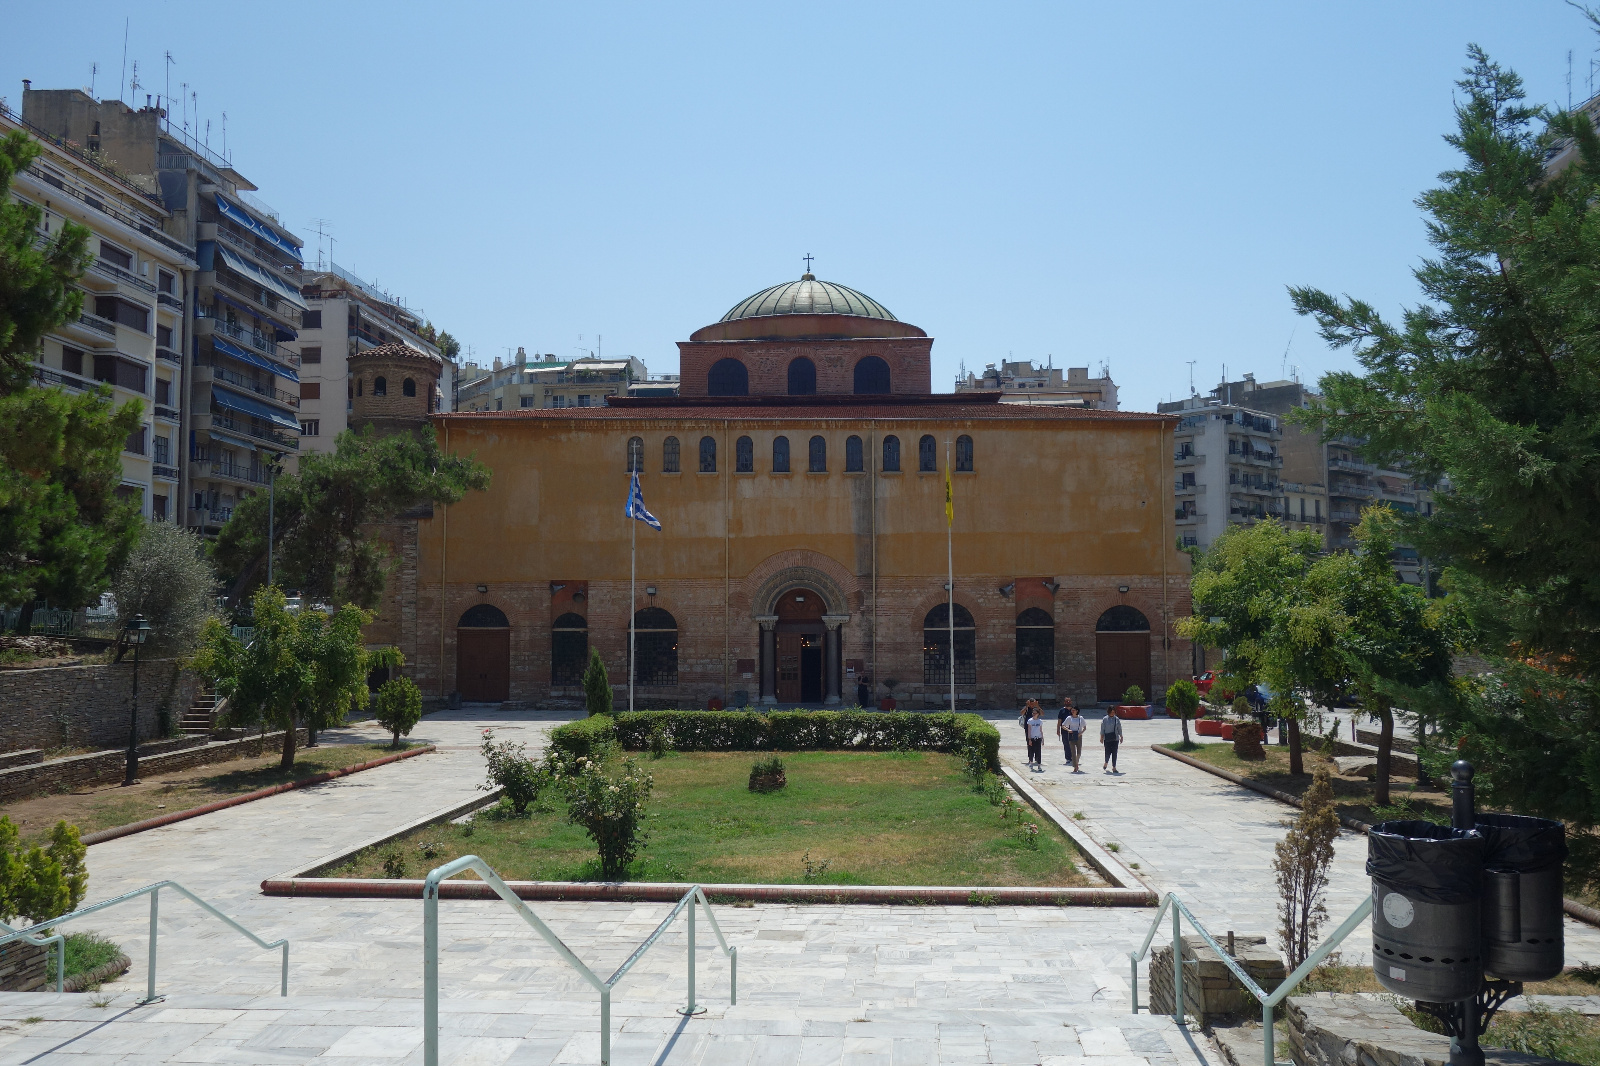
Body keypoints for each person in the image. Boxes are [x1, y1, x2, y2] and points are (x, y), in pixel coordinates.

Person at [1057, 696, 1085, 772]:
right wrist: (1058, 730)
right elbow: (1060, 721)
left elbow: (1082, 723)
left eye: (1069, 701)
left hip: (1076, 732)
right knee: (1066, 744)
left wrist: (1081, 732)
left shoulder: (1074, 710)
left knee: (1077, 748)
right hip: (1065, 731)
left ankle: (1074, 759)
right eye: (1066, 701)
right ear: (1064, 702)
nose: (1068, 702)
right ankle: (1068, 758)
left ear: (1071, 702)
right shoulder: (1062, 711)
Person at [1101, 706, 1124, 774]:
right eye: (1111, 712)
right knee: (1107, 752)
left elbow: (1119, 728)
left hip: (1115, 738)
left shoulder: (1116, 719)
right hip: (1107, 738)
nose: (1112, 714)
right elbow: (1102, 729)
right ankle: (1106, 762)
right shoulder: (1105, 719)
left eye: (1113, 712)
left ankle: (1114, 767)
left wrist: (1121, 736)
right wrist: (1101, 737)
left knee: (1114, 752)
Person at [1023, 705, 1045, 770]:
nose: (1033, 714)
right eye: (1033, 713)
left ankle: (1039, 765)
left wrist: (1042, 738)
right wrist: (1029, 739)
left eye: (1035, 713)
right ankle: (1031, 763)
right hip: (1032, 738)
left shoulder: (1040, 721)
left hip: (1038, 738)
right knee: (1031, 751)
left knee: (1038, 751)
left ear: (1038, 714)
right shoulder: (1030, 721)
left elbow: (1041, 730)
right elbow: (1029, 730)